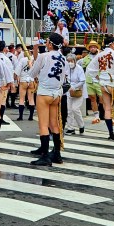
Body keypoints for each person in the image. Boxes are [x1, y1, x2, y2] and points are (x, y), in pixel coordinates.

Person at [29, 32, 69, 167]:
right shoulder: (63, 58)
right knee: (54, 124)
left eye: (47, 41)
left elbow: (32, 74)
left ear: (51, 44)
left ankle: (45, 156)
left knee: (43, 125)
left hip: (44, 93)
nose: (46, 43)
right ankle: (57, 153)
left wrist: (31, 64)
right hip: (56, 94)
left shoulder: (43, 56)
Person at [64, 51, 86, 135]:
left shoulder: (79, 69)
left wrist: (75, 87)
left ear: (75, 61)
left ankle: (81, 125)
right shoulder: (67, 69)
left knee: (75, 109)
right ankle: (70, 128)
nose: (70, 63)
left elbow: (82, 80)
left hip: (78, 91)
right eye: (68, 61)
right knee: (69, 110)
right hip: (69, 91)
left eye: (71, 61)